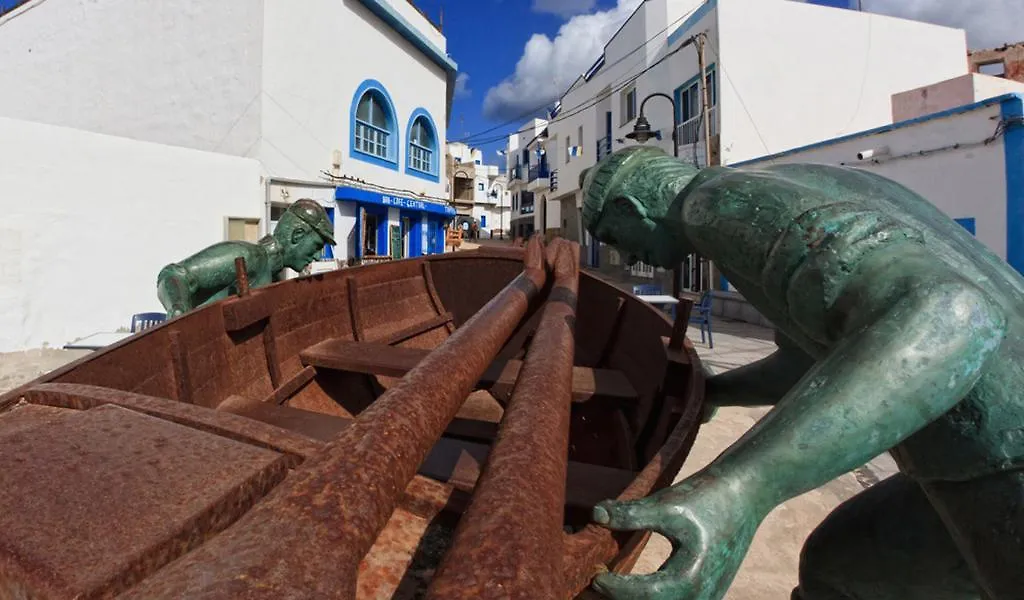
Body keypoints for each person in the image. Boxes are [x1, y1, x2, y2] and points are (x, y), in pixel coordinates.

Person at [580, 145, 1022, 600]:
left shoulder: (714, 207)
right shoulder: (783, 183)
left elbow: (954, 314)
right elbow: (815, 363)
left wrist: (734, 492)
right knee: (837, 569)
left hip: (1003, 462)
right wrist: (713, 390)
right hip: (968, 459)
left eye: (615, 237)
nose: (630, 256)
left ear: (627, 207)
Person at [157, 199, 335, 318]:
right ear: (297, 235)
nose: (318, 255)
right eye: (317, 245)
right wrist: (179, 312)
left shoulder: (275, 276)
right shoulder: (249, 257)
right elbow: (173, 275)